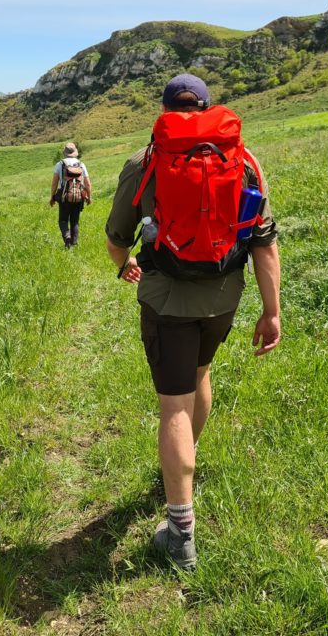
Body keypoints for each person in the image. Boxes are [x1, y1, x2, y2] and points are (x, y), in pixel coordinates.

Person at [105, 74, 280, 570]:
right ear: (206, 107)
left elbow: (117, 237)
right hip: (225, 298)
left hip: (167, 301)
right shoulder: (242, 160)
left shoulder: (145, 163)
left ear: (164, 112)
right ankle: (183, 462)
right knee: (201, 375)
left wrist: (124, 263)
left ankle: (180, 533)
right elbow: (264, 242)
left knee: (173, 408)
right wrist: (272, 311)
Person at [50, 142, 92, 248]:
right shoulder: (81, 164)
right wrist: (88, 197)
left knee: (63, 220)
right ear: (75, 153)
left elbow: (54, 182)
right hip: (78, 197)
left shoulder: (60, 164)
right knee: (75, 221)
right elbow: (87, 183)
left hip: (64, 196)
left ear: (65, 153)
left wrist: (52, 197)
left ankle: (67, 237)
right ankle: (73, 244)